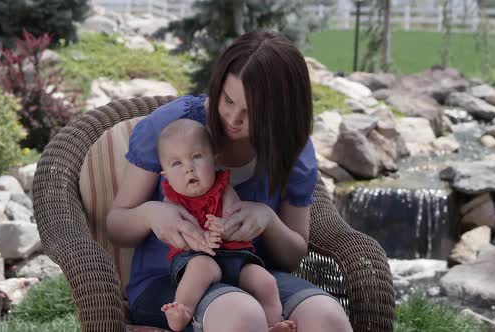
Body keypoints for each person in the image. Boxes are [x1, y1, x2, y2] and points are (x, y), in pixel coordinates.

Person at [107, 30, 353, 332]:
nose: (233, 119)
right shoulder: (170, 128)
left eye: (252, 112)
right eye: (227, 100)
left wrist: (269, 221)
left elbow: (292, 257)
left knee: (327, 317)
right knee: (241, 315)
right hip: (172, 283)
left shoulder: (292, 149)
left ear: (282, 113)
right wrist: (150, 214)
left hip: (251, 274)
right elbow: (116, 226)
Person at [156, 118, 296, 332]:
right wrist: (202, 240)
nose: (189, 169)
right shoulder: (172, 200)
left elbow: (234, 214)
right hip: (197, 257)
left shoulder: (223, 187)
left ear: (214, 160)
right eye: (177, 163)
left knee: (265, 281)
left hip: (236, 257)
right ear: (165, 175)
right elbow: (180, 233)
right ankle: (182, 310)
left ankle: (272, 323)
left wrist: (221, 226)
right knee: (200, 270)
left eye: (196, 157)